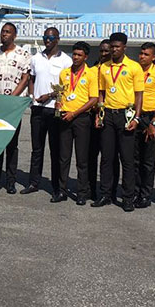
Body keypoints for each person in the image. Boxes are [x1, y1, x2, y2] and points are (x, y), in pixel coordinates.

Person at [92, 32, 143, 212]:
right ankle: (106, 194)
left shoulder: (134, 67)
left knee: (127, 159)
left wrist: (136, 117)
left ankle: (128, 197)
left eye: (117, 47)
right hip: (108, 115)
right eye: (112, 46)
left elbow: (139, 95)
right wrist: (99, 113)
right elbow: (101, 92)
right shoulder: (103, 67)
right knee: (107, 158)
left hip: (126, 115)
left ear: (124, 48)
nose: (114, 50)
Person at [0, 22, 31, 194]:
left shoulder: (23, 54)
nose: (5, 34)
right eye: (3, 32)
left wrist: (12, 99)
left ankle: (10, 181)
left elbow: (25, 78)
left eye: (8, 32)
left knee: (11, 145)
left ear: (14, 35)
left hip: (14, 105)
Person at [24, 27, 72, 195]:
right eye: (45, 37)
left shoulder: (66, 60)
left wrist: (50, 95)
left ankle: (57, 187)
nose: (48, 40)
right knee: (37, 149)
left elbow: (67, 86)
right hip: (37, 109)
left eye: (51, 37)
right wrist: (32, 94)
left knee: (55, 149)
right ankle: (33, 183)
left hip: (55, 109)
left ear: (58, 39)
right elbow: (32, 78)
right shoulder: (36, 58)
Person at [54, 41, 98, 205]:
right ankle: (62, 190)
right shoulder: (64, 73)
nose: (76, 57)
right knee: (63, 157)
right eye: (74, 54)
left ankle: (81, 193)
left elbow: (93, 99)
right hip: (65, 117)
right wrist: (58, 103)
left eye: (79, 55)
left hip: (81, 119)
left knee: (82, 158)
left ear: (86, 57)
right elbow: (60, 92)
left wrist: (75, 113)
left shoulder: (91, 75)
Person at [133, 42, 155, 209]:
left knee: (148, 160)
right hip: (135, 116)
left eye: (146, 54)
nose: (142, 57)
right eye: (141, 53)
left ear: (153, 57)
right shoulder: (134, 71)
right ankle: (135, 191)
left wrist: (154, 121)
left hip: (150, 117)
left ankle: (145, 195)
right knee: (134, 158)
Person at [88, 39, 117, 201]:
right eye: (102, 51)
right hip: (92, 116)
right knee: (91, 155)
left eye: (108, 51)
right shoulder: (92, 70)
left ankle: (110, 191)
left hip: (110, 116)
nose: (105, 54)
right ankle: (91, 190)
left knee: (110, 156)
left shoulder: (115, 69)